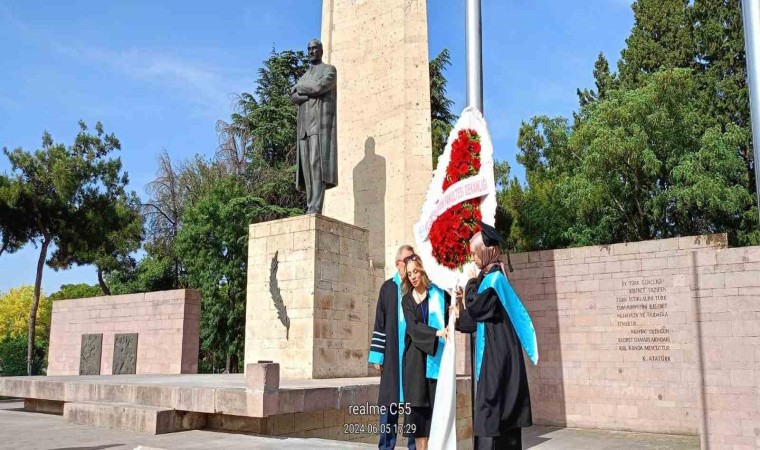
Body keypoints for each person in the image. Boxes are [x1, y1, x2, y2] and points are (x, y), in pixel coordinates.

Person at [453, 222, 538, 450]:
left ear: (485, 251)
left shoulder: (495, 280)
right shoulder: (490, 277)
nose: (472, 259)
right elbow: (477, 317)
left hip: (498, 359)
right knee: (496, 417)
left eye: (474, 254)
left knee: (492, 414)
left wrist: (470, 282)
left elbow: (478, 306)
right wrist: (460, 309)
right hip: (495, 354)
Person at [368, 245, 417, 450]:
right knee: (389, 407)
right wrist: (377, 357)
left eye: (414, 258)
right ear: (398, 264)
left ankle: (415, 446)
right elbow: (380, 323)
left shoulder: (417, 288)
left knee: (414, 408)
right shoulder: (387, 288)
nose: (412, 263)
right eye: (408, 260)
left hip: (412, 356)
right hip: (391, 357)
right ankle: (386, 447)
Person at [401, 254, 450, 450]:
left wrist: (459, 304)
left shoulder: (438, 294)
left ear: (422, 271)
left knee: (435, 413)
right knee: (418, 416)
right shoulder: (406, 300)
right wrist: (437, 332)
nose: (413, 276)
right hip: (415, 363)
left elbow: (452, 316)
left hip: (435, 360)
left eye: (416, 272)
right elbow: (412, 328)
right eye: (409, 273)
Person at [290, 38, 338, 214]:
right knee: (307, 169)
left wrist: (300, 88)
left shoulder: (329, 70)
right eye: (309, 49)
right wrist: (304, 90)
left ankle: (316, 206)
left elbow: (319, 87)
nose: (311, 51)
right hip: (304, 128)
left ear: (321, 51)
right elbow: (294, 97)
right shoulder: (304, 76)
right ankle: (310, 205)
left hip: (318, 126)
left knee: (316, 165)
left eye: (315, 48)